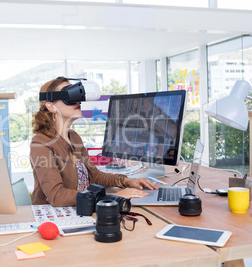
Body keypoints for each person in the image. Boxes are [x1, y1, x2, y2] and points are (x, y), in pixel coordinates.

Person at [30, 78, 158, 207]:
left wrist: (127, 181)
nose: (78, 101)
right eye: (69, 96)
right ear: (51, 106)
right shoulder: (41, 143)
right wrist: (112, 197)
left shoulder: (74, 137)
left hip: (82, 209)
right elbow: (57, 196)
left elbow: (94, 176)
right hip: (55, 218)